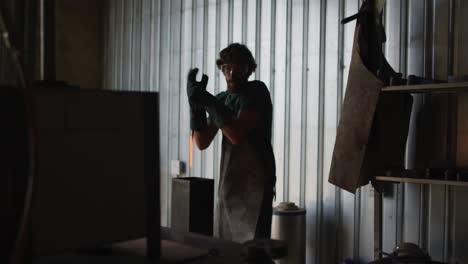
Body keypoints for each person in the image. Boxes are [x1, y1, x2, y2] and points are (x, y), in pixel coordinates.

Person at [186, 43, 276, 243]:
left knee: (254, 249)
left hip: (256, 186)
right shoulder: (223, 99)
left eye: (238, 68)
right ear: (222, 69)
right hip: (230, 186)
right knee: (228, 248)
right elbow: (201, 142)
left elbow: (236, 134)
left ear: (249, 69)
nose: (231, 73)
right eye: (227, 68)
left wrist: (208, 102)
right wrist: (196, 110)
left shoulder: (257, 92)